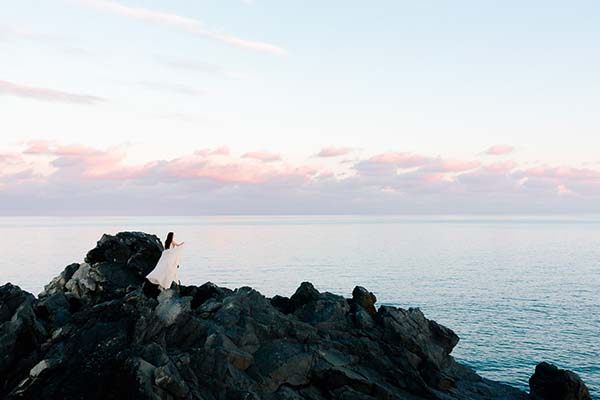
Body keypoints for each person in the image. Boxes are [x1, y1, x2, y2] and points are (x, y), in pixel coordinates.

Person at [143, 232, 185, 298]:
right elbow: (178, 246)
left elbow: (166, 249)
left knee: (162, 269)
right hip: (169, 256)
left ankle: (161, 283)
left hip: (165, 255)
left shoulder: (166, 241)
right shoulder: (172, 241)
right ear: (171, 236)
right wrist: (184, 244)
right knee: (168, 270)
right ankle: (164, 284)